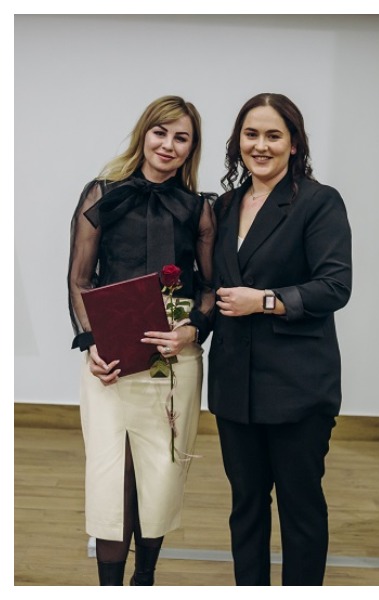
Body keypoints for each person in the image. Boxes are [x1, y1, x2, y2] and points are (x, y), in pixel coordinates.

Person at [67, 96, 216, 585]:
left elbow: (210, 287)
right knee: (112, 480)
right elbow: (80, 279)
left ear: (191, 148)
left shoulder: (200, 209)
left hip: (174, 362)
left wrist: (192, 329)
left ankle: (144, 579)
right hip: (108, 364)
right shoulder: (101, 194)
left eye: (181, 137)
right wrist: (91, 342)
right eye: (160, 132)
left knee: (160, 477)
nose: (168, 145)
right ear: (144, 134)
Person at [208, 93, 352, 586]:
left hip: (298, 389)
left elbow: (335, 286)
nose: (261, 145)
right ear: (238, 142)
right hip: (234, 387)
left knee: (300, 509)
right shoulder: (224, 206)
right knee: (245, 506)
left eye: (274, 135)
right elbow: (213, 289)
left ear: (294, 144)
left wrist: (265, 300)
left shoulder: (318, 201)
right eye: (251, 134)